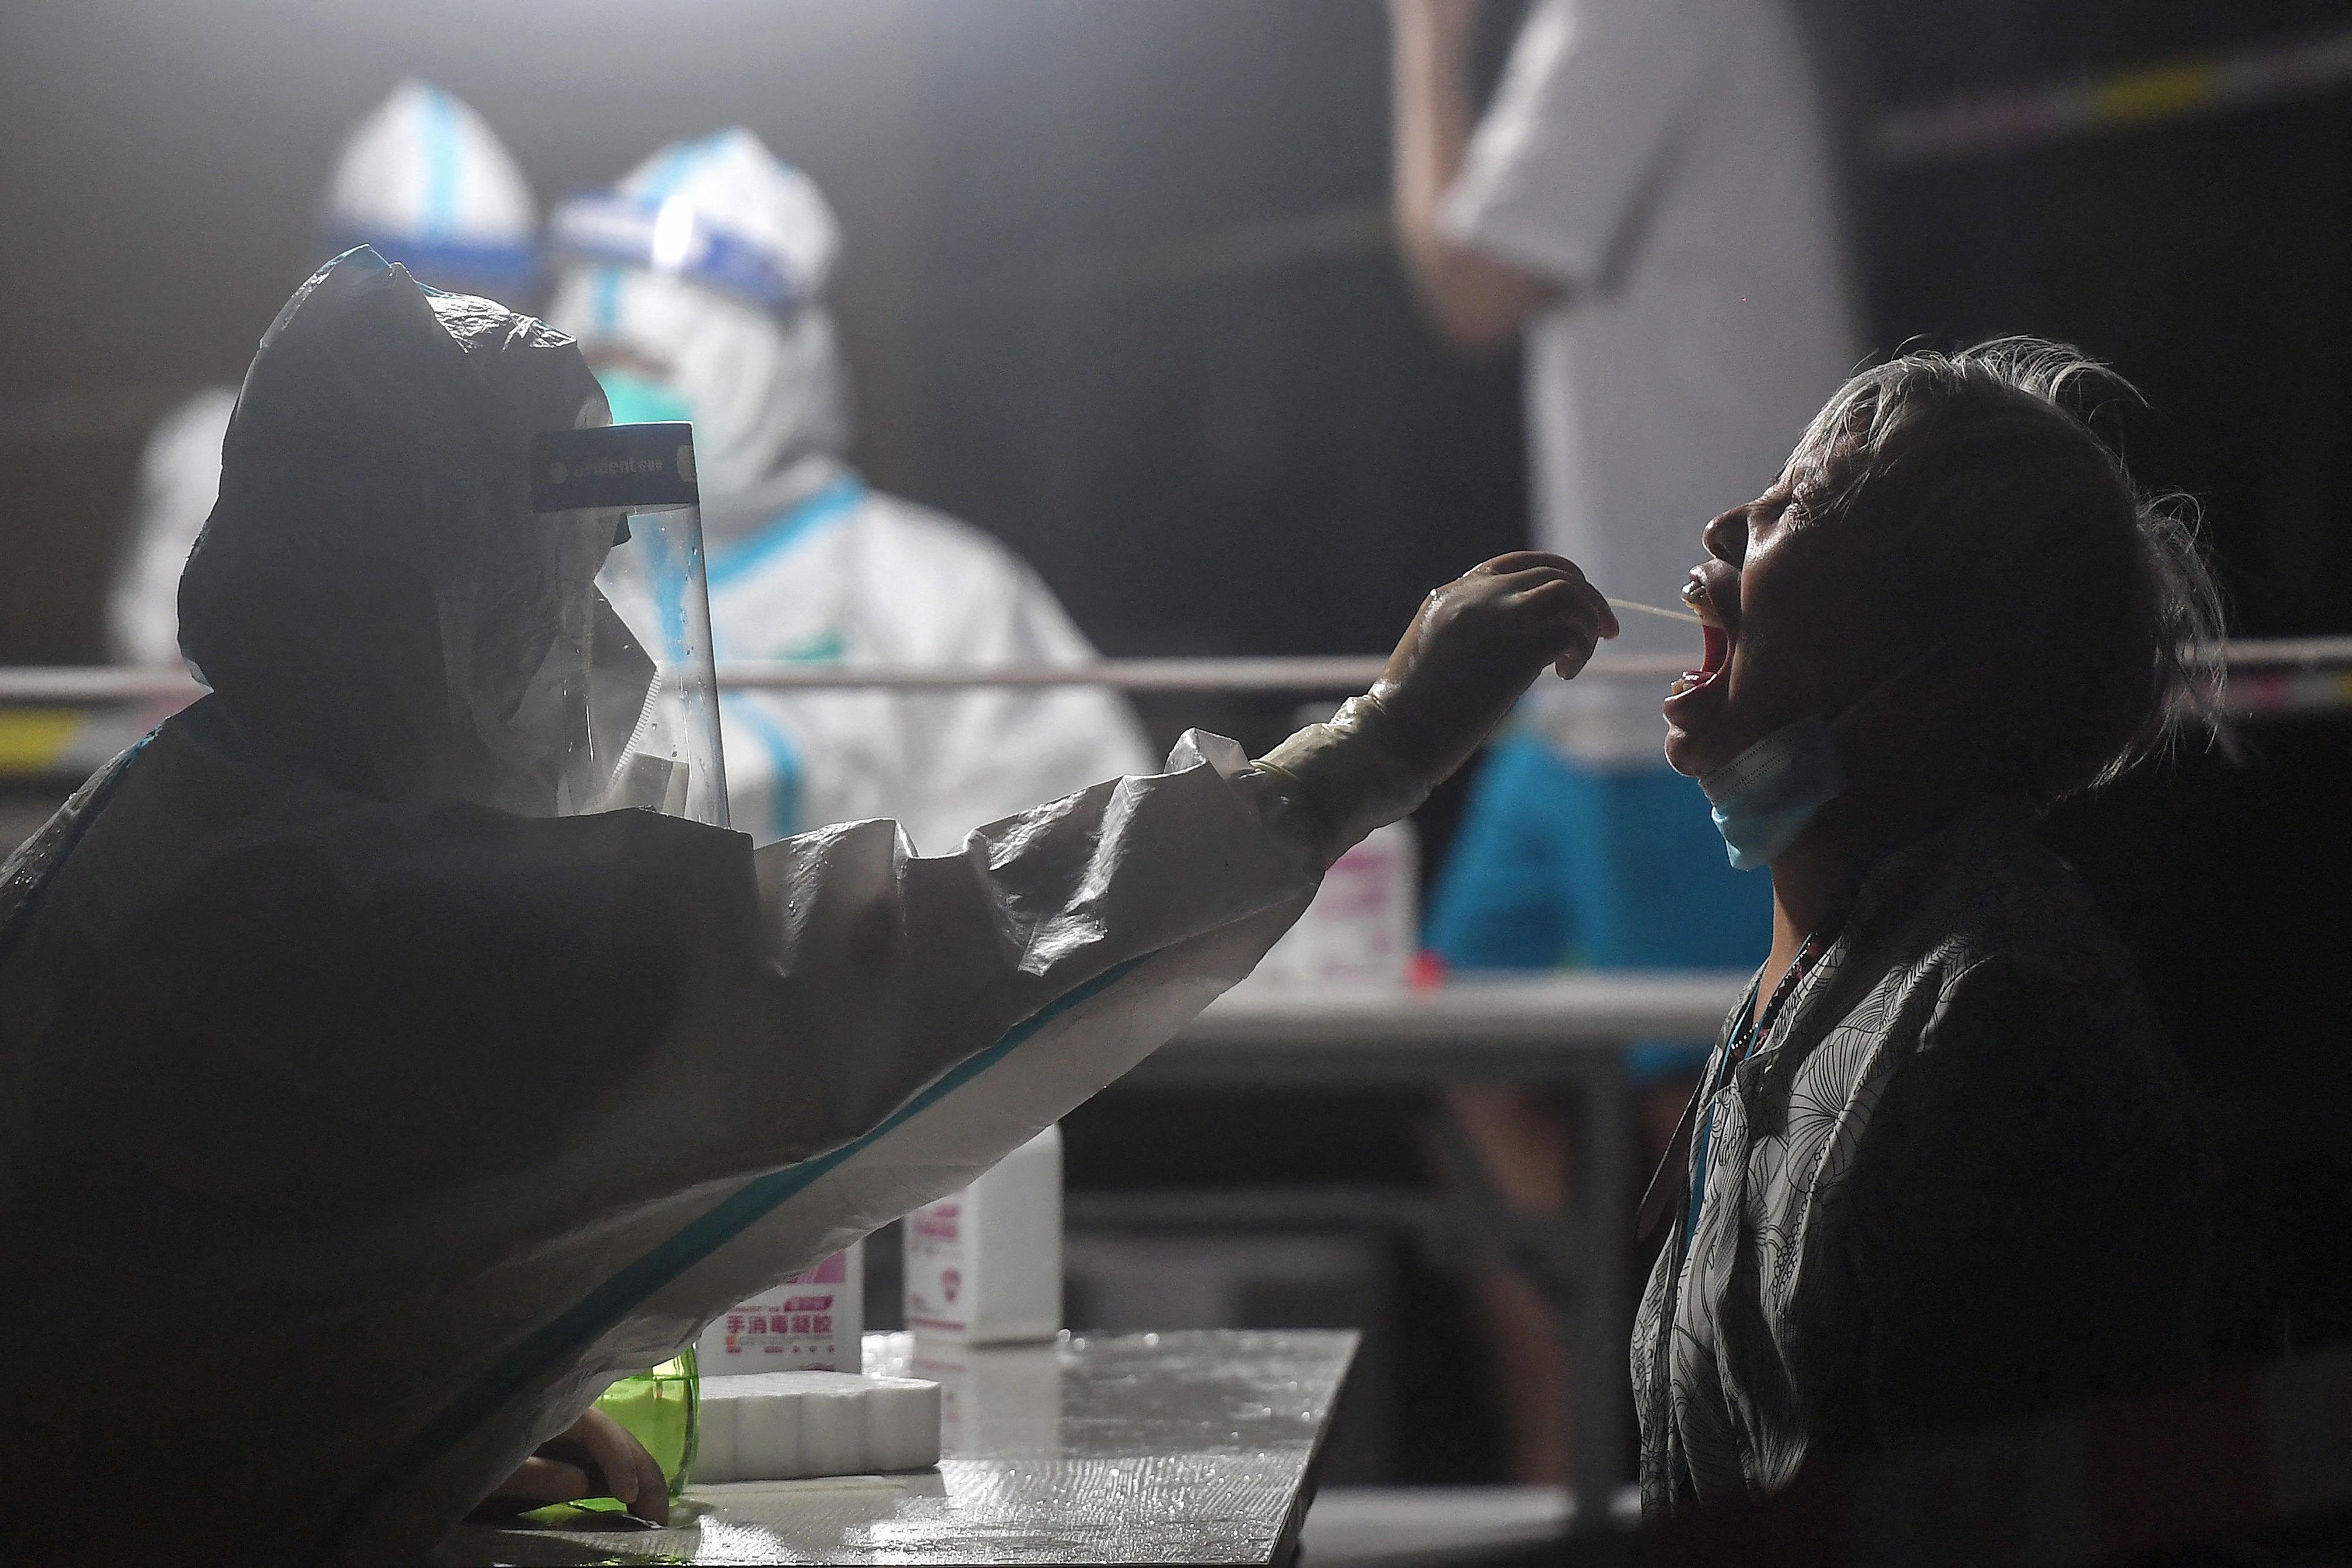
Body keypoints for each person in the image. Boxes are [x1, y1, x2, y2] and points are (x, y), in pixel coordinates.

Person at [0, 250, 1621, 1567]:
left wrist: (372, 1411)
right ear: (446, 601)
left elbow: (215, 1318)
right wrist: (1356, 761)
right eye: (571, 593)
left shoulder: (187, 819)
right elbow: (881, 968)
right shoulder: (357, 910)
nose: (613, 662)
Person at [1389, 0, 1861, 1482]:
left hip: (1703, 658)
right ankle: (1566, 1489)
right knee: (1467, 1059)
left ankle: (1712, 1504)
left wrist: (1424, 45)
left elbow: (1465, 282)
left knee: (1713, 1117)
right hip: (1601, 675)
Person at [1633, 339, 2219, 1512]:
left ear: (1934, 671)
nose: (1724, 523)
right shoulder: (1828, 974)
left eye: (1803, 500)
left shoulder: (1987, 1021)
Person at [543, 129, 1154, 852]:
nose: (622, 403)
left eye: (650, 367)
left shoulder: (941, 592)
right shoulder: (515, 579)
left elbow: (1073, 869)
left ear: (789, 367)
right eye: (600, 364)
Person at [106, 79, 540, 673]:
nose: (440, 324)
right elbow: (160, 673)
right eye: (405, 292)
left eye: (473, 294)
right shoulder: (216, 453)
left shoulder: (544, 466)